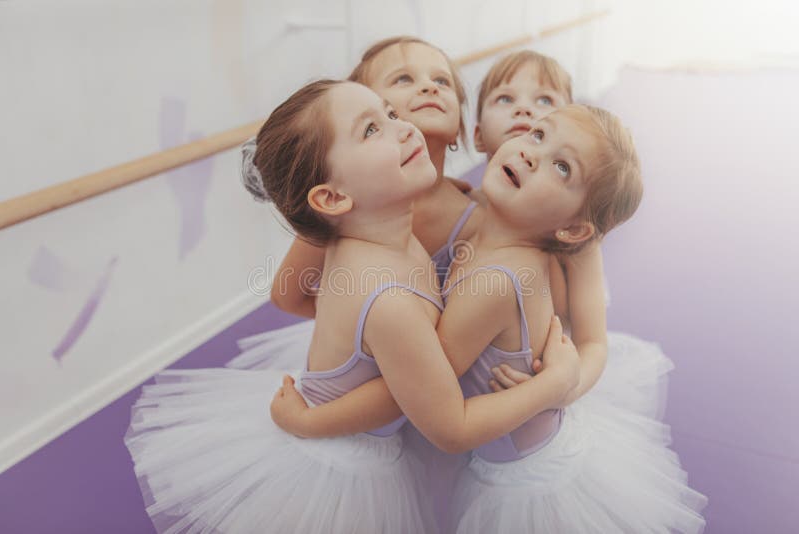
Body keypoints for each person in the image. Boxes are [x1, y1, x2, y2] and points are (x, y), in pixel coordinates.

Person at [125, 79, 581, 534]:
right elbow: (451, 429)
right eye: (370, 130)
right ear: (333, 197)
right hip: (342, 471)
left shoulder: (367, 236)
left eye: (391, 115)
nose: (403, 129)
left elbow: (402, 371)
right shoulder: (390, 303)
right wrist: (555, 384)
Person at [271, 104, 708, 533]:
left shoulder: (499, 281)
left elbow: (425, 398)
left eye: (561, 167)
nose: (532, 153)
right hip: (511, 453)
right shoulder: (483, 239)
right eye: (538, 134)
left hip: (526, 483)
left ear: (573, 231)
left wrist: (554, 386)